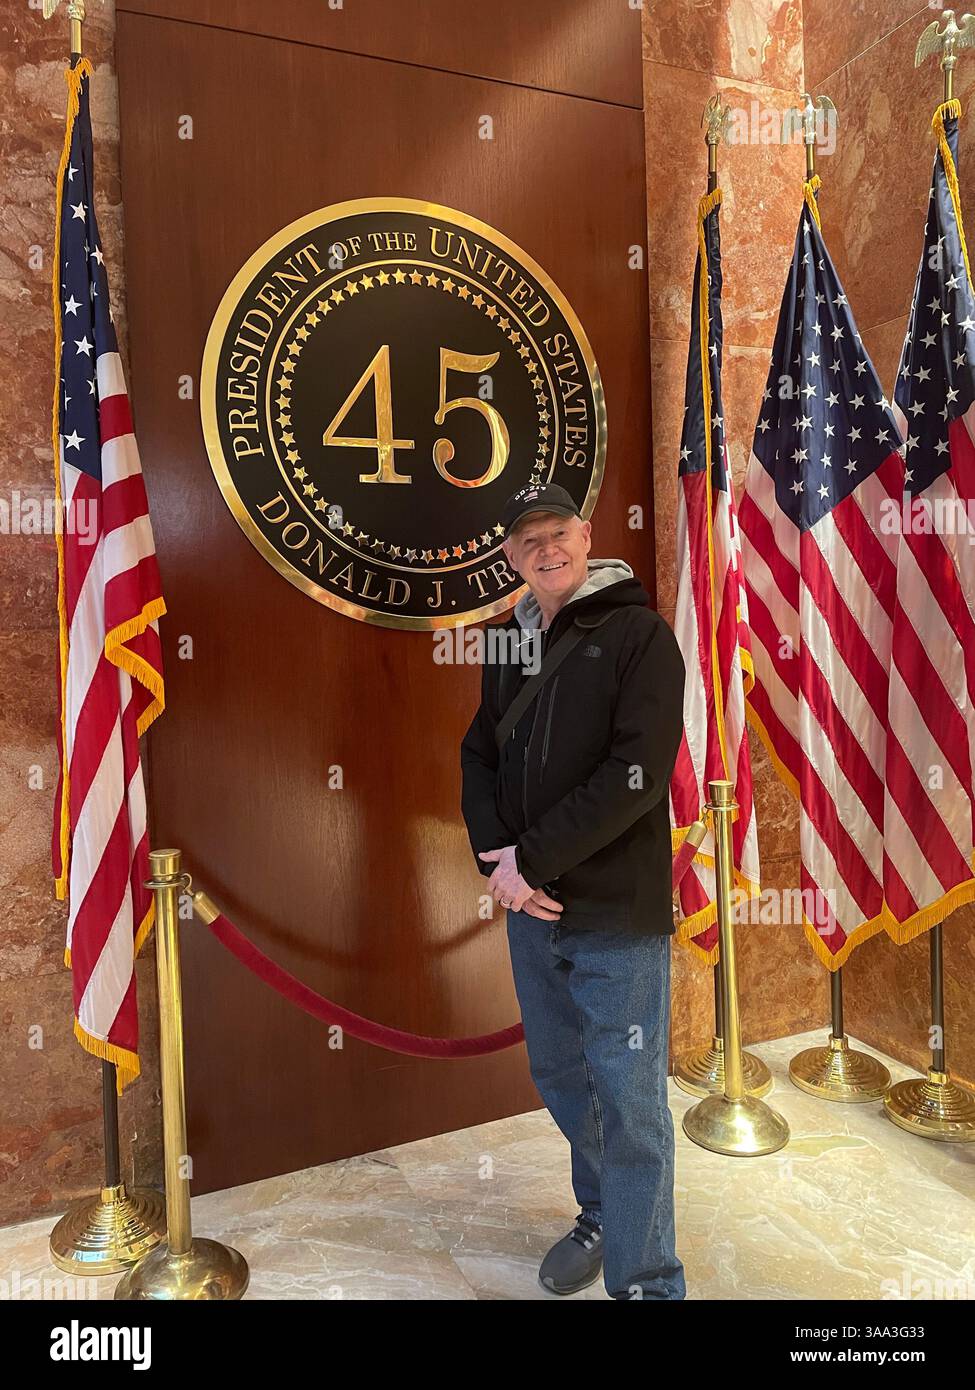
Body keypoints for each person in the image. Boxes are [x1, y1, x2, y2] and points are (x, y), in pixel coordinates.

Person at [460, 483, 687, 1300]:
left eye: (557, 532)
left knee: (629, 1103)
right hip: (530, 908)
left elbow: (636, 774)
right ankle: (601, 1214)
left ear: (585, 535)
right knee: (561, 1077)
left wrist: (531, 861)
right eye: (528, 541)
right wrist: (499, 862)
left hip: (613, 913)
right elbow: (478, 756)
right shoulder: (505, 641)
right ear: (510, 557)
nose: (545, 549)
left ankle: (648, 1278)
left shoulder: (640, 635)